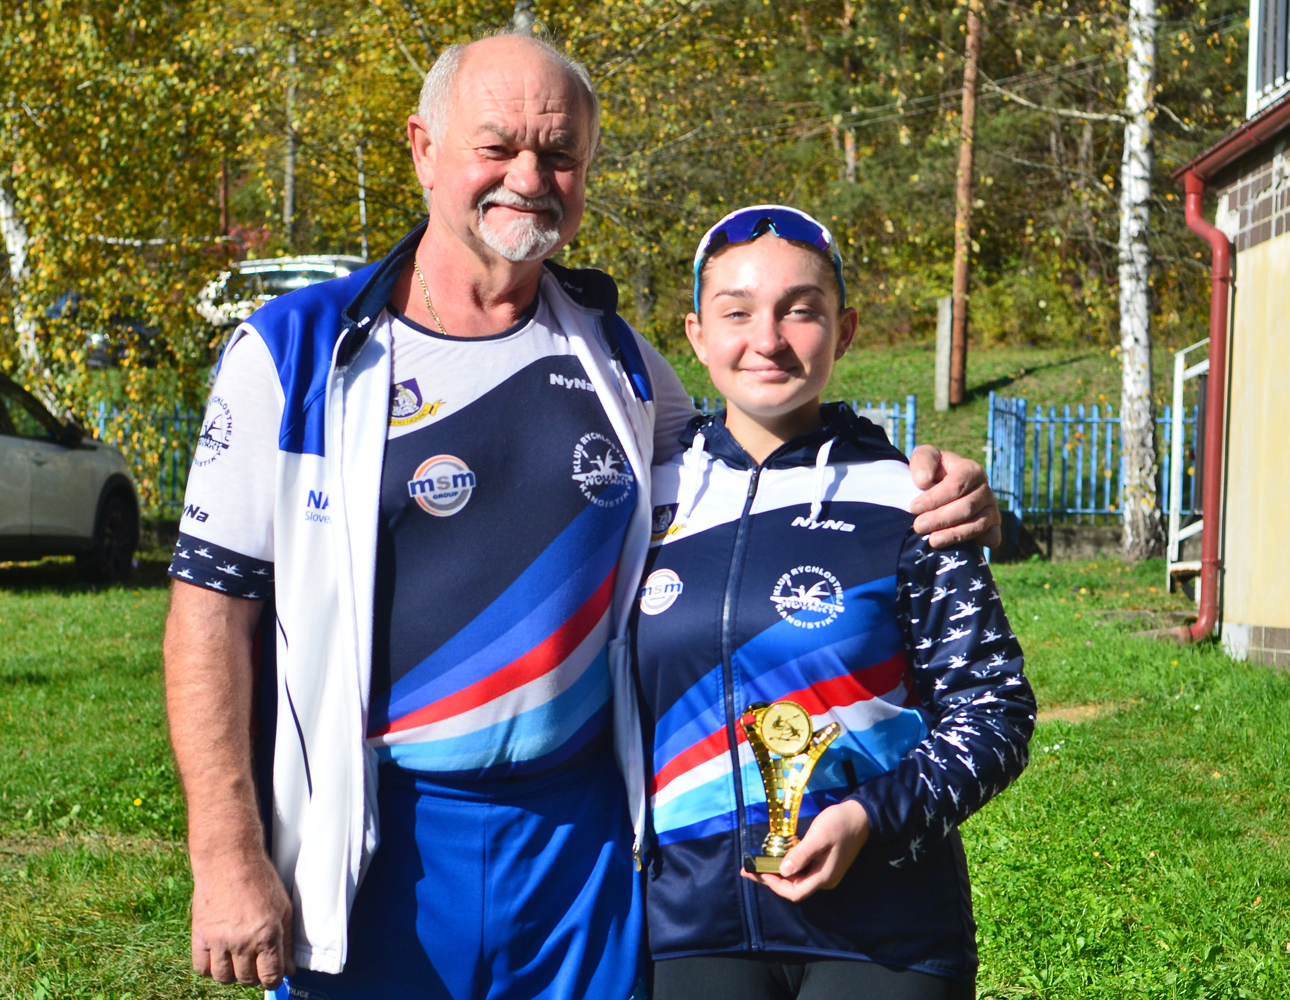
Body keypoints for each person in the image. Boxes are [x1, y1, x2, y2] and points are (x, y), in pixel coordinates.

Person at [160, 35, 1002, 1000]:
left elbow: (757, 452)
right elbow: (209, 615)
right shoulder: (298, 354)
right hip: (382, 835)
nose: (529, 179)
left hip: (580, 854)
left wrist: (922, 479)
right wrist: (224, 853)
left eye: (559, 154)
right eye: (497, 146)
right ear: (423, 148)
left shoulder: (620, 360)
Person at [630, 205, 1036, 1000]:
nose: (768, 339)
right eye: (737, 312)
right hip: (690, 926)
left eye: (801, 310)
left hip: (886, 933)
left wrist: (872, 818)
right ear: (696, 336)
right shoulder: (642, 502)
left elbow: (994, 709)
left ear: (843, 331)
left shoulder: (912, 499)